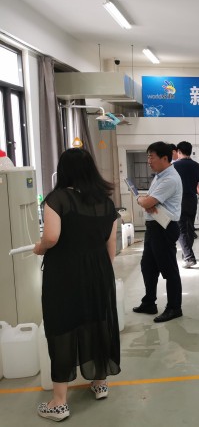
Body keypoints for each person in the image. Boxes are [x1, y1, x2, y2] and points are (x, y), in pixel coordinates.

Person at [33, 148, 120, 422]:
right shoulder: (106, 203)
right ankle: (100, 382)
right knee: (96, 321)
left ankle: (59, 402)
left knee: (62, 326)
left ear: (64, 170)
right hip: (99, 272)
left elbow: (52, 237)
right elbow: (111, 246)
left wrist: (39, 248)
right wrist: (101, 272)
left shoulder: (58, 199)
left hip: (65, 274)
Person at [133, 141, 184, 323]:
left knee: (169, 269)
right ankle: (149, 302)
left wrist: (141, 200)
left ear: (164, 158)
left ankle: (174, 308)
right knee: (148, 266)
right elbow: (149, 200)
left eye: (151, 157)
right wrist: (146, 200)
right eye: (148, 156)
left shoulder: (170, 179)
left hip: (164, 228)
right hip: (153, 227)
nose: (149, 161)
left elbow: (147, 202)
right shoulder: (159, 176)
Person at [173, 141, 199, 268]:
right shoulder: (197, 166)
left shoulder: (174, 166)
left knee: (181, 229)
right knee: (190, 229)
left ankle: (189, 257)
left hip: (180, 200)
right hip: (192, 199)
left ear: (179, 151)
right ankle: (186, 254)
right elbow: (197, 185)